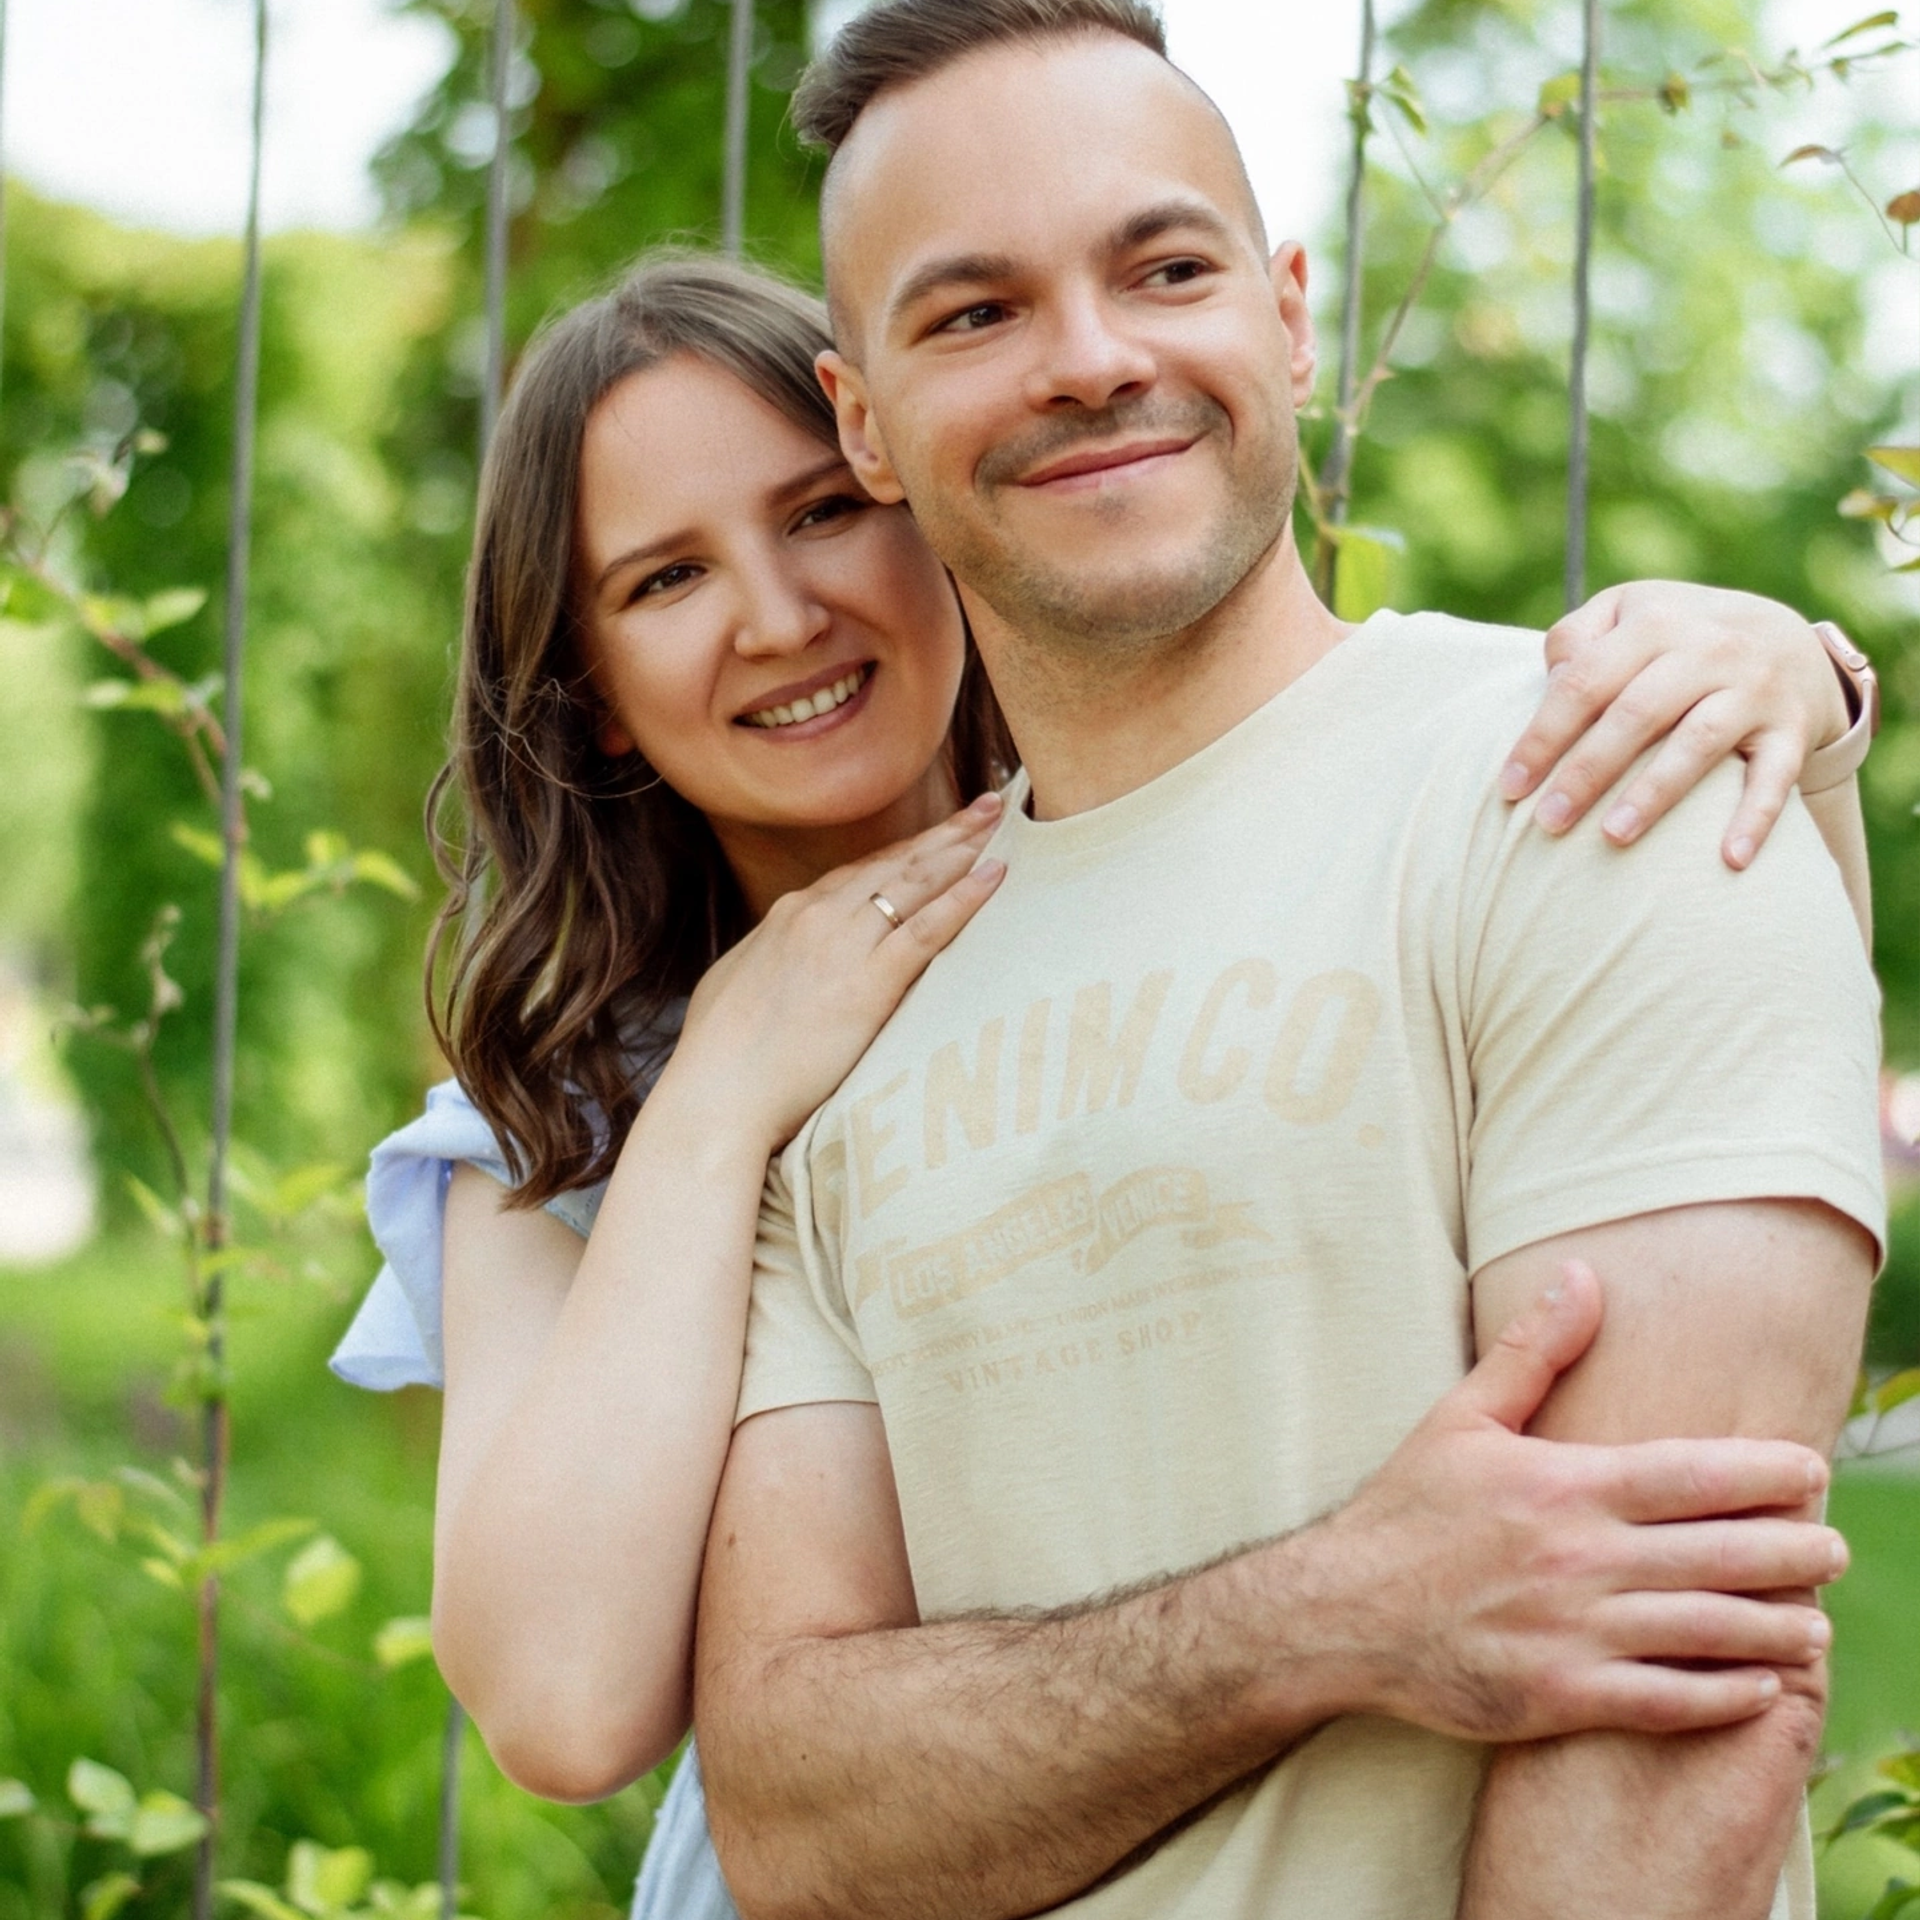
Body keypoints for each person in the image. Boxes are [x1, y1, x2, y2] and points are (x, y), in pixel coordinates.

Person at [328, 257, 1874, 1920]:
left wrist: (1787, 695)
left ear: (919, 491)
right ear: (597, 695)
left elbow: (1726, 1098)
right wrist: (724, 1088)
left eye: (818, 518)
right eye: (665, 580)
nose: (778, 616)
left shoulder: (1254, 860)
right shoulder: (549, 1129)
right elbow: (560, 1704)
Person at [686, 6, 1886, 1920]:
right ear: (861, 424)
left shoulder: (1610, 774)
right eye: (973, 313)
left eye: (1163, 268)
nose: (1092, 362)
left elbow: (1669, 1735)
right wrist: (1329, 1615)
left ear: (1291, 311)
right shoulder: (840, 1003)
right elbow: (801, 1815)